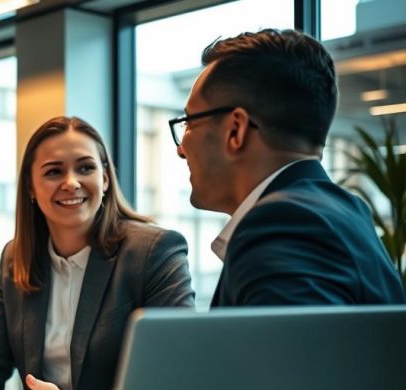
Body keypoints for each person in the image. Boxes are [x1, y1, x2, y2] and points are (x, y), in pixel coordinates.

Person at [0, 116, 195, 390]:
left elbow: (174, 376)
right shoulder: (15, 257)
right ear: (31, 188)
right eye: (53, 171)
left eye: (85, 168)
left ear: (105, 178)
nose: (71, 182)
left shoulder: (153, 251)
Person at [173, 28, 405, 305]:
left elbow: (285, 350)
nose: (180, 149)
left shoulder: (282, 224)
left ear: (236, 130)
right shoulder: (347, 211)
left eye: (189, 123)